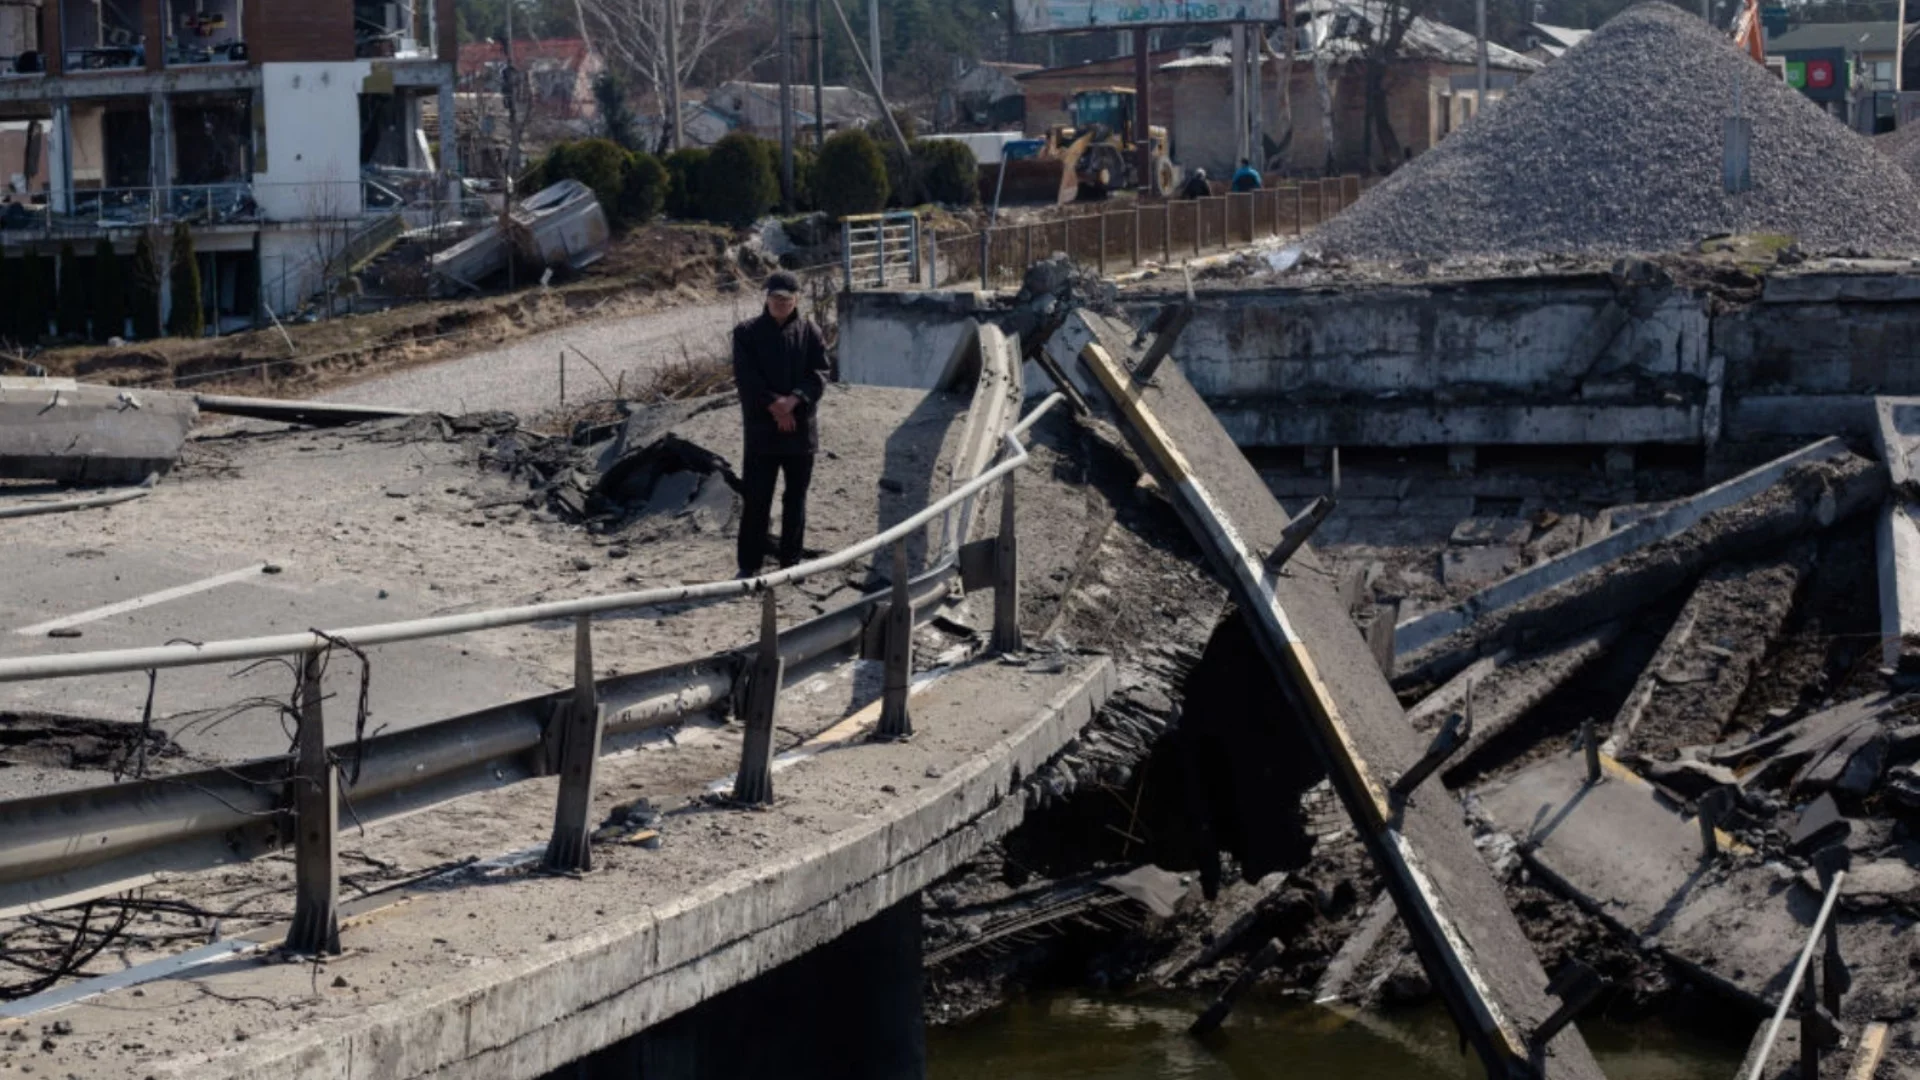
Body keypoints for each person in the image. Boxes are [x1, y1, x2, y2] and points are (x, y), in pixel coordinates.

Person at [732, 270, 830, 578]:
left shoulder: (810, 332)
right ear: (766, 297)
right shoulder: (746, 332)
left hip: (800, 431)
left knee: (795, 498)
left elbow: (819, 374)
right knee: (757, 498)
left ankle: (790, 562)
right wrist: (775, 406)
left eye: (786, 299)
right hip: (762, 430)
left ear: (796, 300)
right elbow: (746, 378)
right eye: (775, 298)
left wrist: (793, 401)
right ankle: (750, 564)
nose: (781, 304)